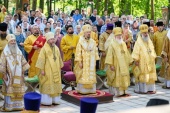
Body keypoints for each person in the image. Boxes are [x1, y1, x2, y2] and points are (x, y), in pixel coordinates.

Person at [0, 34, 30, 111]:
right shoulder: (5, 52)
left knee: (18, 90)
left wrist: (23, 72)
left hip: (19, 75)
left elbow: (23, 62)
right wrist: (4, 74)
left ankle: (18, 106)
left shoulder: (19, 51)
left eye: (14, 41)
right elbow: (2, 64)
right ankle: (9, 106)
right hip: (9, 75)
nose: (13, 42)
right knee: (10, 90)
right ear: (8, 42)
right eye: (11, 41)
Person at [36, 32, 63, 105]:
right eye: (51, 39)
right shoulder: (44, 49)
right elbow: (41, 60)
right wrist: (42, 70)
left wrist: (60, 65)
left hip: (56, 68)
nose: (52, 41)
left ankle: (55, 100)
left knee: (55, 83)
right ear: (47, 40)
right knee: (48, 82)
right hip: (47, 69)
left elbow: (59, 57)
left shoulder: (56, 48)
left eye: (53, 39)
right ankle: (46, 101)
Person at [105, 27, 133, 97]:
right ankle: (117, 92)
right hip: (116, 64)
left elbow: (126, 52)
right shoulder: (112, 44)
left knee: (124, 77)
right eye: (118, 35)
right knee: (116, 78)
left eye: (120, 35)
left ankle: (123, 91)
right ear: (115, 36)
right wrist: (111, 64)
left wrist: (130, 60)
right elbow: (109, 55)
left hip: (124, 64)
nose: (119, 36)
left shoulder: (123, 43)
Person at [74, 24, 99, 94]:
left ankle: (91, 90)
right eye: (87, 32)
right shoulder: (80, 42)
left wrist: (95, 60)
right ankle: (83, 90)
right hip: (83, 62)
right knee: (83, 75)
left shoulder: (93, 42)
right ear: (84, 33)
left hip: (91, 61)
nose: (89, 33)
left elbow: (95, 50)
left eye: (89, 32)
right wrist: (79, 62)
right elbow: (78, 52)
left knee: (91, 76)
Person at [132, 24, 157, 94]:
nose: (146, 34)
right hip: (142, 62)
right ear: (141, 33)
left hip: (150, 61)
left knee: (150, 75)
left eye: (147, 33)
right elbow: (135, 51)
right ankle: (143, 89)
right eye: (144, 33)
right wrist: (136, 60)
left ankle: (150, 88)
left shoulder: (149, 41)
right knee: (143, 75)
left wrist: (153, 56)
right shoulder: (138, 42)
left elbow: (152, 49)